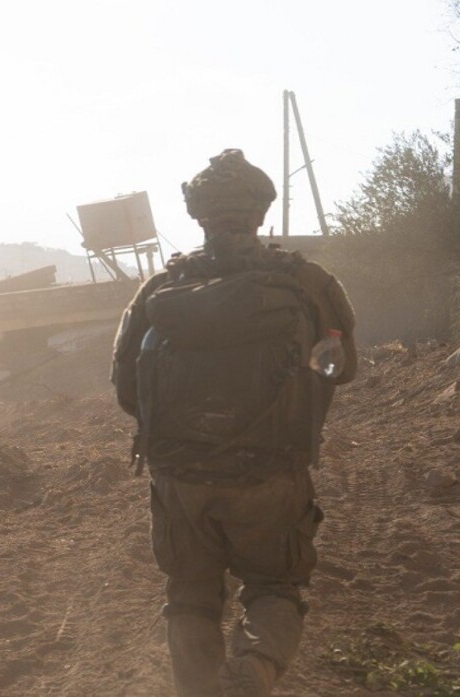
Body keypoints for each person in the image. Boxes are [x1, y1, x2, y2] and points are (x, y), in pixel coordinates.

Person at [111, 150, 356, 697]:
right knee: (274, 586)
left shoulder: (159, 288)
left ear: (198, 216)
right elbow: (340, 370)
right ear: (261, 213)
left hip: (180, 477)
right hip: (271, 474)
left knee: (189, 593)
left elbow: (128, 390)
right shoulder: (308, 283)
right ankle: (253, 673)